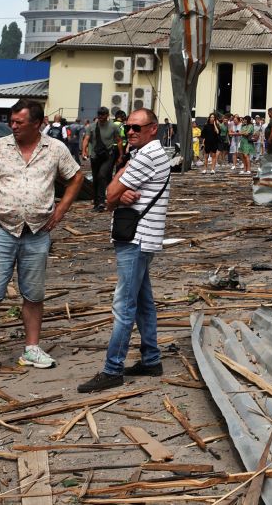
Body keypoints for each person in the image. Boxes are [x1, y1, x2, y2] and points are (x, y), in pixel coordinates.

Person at [0, 99, 83, 379]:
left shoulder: (55, 149)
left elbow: (76, 177)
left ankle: (31, 348)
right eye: (12, 122)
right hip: (1, 230)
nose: (13, 126)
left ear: (38, 124)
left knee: (34, 294)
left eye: (20, 122)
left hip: (37, 232)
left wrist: (61, 210)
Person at [77, 109, 172, 392]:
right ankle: (151, 359)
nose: (130, 132)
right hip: (142, 237)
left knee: (124, 305)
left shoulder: (147, 155)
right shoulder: (142, 154)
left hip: (137, 238)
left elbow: (108, 193)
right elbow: (113, 194)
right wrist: (119, 189)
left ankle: (113, 368)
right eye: (127, 128)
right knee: (143, 302)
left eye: (136, 128)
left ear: (153, 129)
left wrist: (118, 188)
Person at [83, 107, 123, 211]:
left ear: (107, 115)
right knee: (96, 179)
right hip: (95, 156)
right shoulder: (91, 127)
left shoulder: (113, 126)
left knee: (102, 175)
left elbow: (119, 141)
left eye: (103, 114)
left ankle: (101, 202)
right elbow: (86, 139)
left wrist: (120, 155)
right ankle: (97, 203)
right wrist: (84, 150)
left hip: (108, 156)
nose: (101, 116)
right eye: (99, 114)